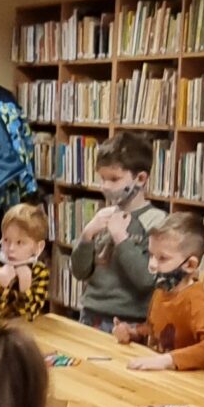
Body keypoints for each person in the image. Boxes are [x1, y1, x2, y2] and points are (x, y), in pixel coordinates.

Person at [67, 134, 165, 330]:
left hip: (128, 322)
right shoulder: (105, 215)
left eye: (114, 179)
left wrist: (121, 239)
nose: (105, 186)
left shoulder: (156, 221)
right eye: (103, 178)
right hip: (90, 314)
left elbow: (147, 280)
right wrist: (86, 236)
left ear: (140, 179)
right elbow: (80, 272)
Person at [114, 211, 204, 371]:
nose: (152, 264)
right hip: (160, 374)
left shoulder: (194, 299)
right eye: (151, 255)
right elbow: (155, 331)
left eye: (162, 258)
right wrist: (132, 332)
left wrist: (168, 360)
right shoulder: (162, 290)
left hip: (186, 380)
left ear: (190, 265)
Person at [0, 202, 51, 323]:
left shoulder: (40, 272)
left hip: (22, 331)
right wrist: (1, 286)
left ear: (38, 247)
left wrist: (25, 289)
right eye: (6, 240)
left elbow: (29, 317)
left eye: (19, 242)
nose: (10, 248)